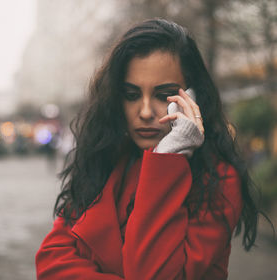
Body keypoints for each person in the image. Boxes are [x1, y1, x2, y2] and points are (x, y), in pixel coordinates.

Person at [35, 18, 263, 279]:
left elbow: (153, 273)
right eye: (131, 95)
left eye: (163, 95)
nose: (144, 112)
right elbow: (51, 260)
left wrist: (167, 159)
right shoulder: (106, 161)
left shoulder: (218, 178)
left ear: (193, 98)